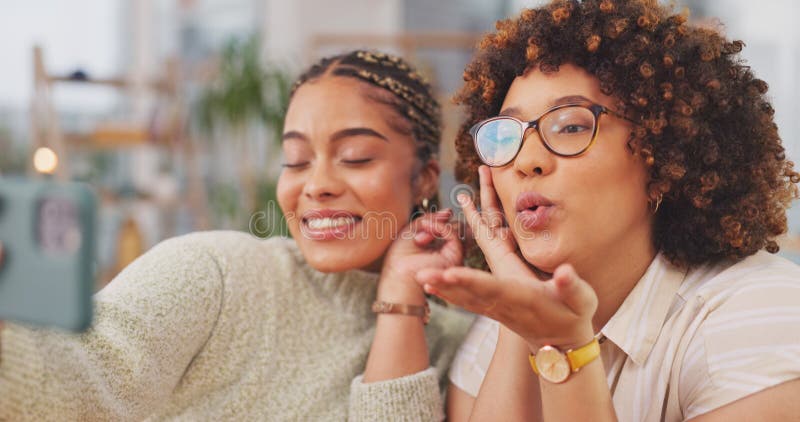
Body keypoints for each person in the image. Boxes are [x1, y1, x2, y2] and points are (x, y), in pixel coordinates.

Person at [0, 50, 472, 421]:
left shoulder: (456, 346)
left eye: (355, 157)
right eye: (296, 160)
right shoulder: (216, 275)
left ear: (426, 177)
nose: (317, 184)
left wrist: (400, 303)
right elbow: (76, 383)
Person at [414, 1, 800, 421]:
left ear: (663, 157)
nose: (526, 161)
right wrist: (523, 323)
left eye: (571, 126)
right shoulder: (495, 332)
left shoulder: (762, 315)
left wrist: (563, 348)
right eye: (506, 136)